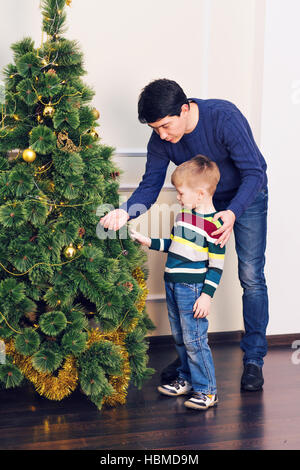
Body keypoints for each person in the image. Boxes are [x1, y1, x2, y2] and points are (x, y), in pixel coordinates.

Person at [100, 78, 268, 391]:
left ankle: (254, 358)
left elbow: (256, 172)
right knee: (191, 270)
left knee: (250, 276)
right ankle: (190, 356)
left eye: (165, 126)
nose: (162, 135)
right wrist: (125, 211)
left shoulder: (223, 118)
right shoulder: (160, 138)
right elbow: (150, 185)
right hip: (203, 203)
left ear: (185, 109)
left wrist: (232, 213)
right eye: (155, 129)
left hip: (247, 197)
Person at [130, 155, 225, 410]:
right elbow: (175, 246)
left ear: (202, 194)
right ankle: (186, 378)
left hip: (192, 290)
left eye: (181, 193)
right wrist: (149, 241)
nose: (178, 198)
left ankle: (207, 390)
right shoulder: (184, 215)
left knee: (195, 340)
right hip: (172, 283)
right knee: (180, 338)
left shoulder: (215, 226)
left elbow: (216, 265)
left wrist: (206, 296)